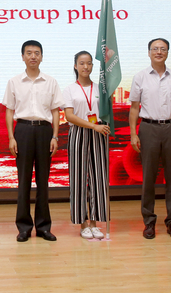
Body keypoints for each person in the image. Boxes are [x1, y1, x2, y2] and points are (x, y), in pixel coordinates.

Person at [2, 40, 64, 242]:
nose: (33, 56)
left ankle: (44, 227)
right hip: (22, 130)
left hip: (45, 131)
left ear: (42, 57)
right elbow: (9, 111)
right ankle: (24, 227)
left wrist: (55, 136)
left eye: (37, 53)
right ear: (23, 57)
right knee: (24, 181)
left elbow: (55, 111)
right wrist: (11, 137)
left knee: (43, 181)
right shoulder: (14, 82)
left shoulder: (51, 82)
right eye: (29, 53)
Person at [129, 38, 171, 240]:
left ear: (167, 53)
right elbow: (134, 108)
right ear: (149, 53)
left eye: (163, 49)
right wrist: (133, 133)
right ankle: (149, 221)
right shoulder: (140, 77)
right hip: (148, 128)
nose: (158, 52)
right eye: (155, 49)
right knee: (148, 177)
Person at [62, 51, 111, 240]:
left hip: (99, 134)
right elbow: (69, 116)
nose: (86, 67)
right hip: (79, 134)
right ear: (75, 66)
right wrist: (93, 126)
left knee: (99, 178)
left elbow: (106, 112)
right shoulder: (70, 89)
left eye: (89, 63)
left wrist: (101, 126)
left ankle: (95, 224)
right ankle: (83, 224)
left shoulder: (100, 89)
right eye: (82, 63)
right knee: (79, 178)